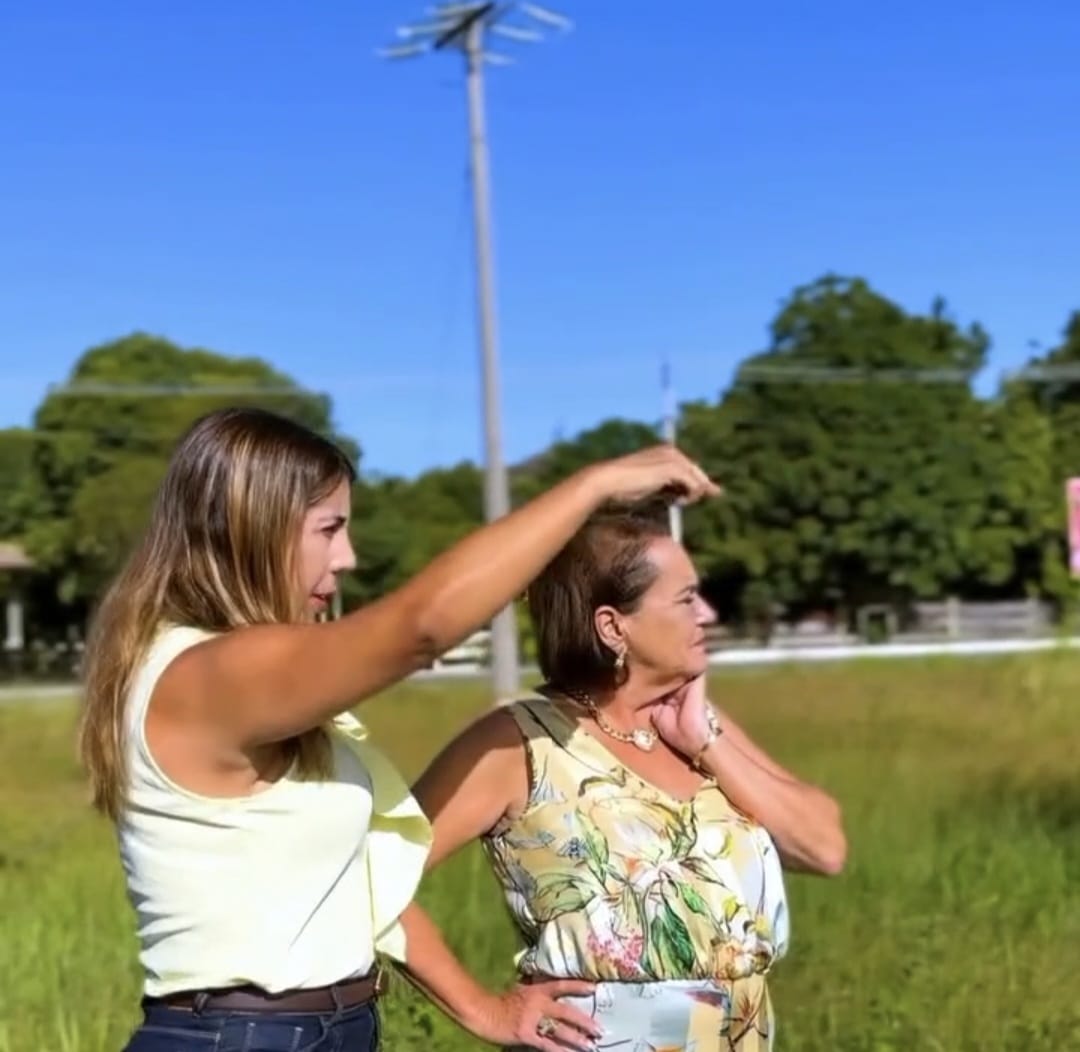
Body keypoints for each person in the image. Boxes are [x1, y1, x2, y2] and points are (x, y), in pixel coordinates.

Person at [77, 406, 719, 1052]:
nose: (347, 557)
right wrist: (593, 487)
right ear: (252, 530)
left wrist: (487, 1011)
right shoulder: (204, 675)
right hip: (241, 1036)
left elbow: (358, 884)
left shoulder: (242, 679)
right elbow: (423, 628)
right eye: (329, 529)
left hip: (321, 1028)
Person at [398, 500, 847, 1051]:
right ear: (613, 627)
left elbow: (824, 849)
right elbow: (366, 873)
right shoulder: (520, 742)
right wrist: (485, 1010)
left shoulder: (695, 724)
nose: (707, 614)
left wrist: (707, 742)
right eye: (686, 598)